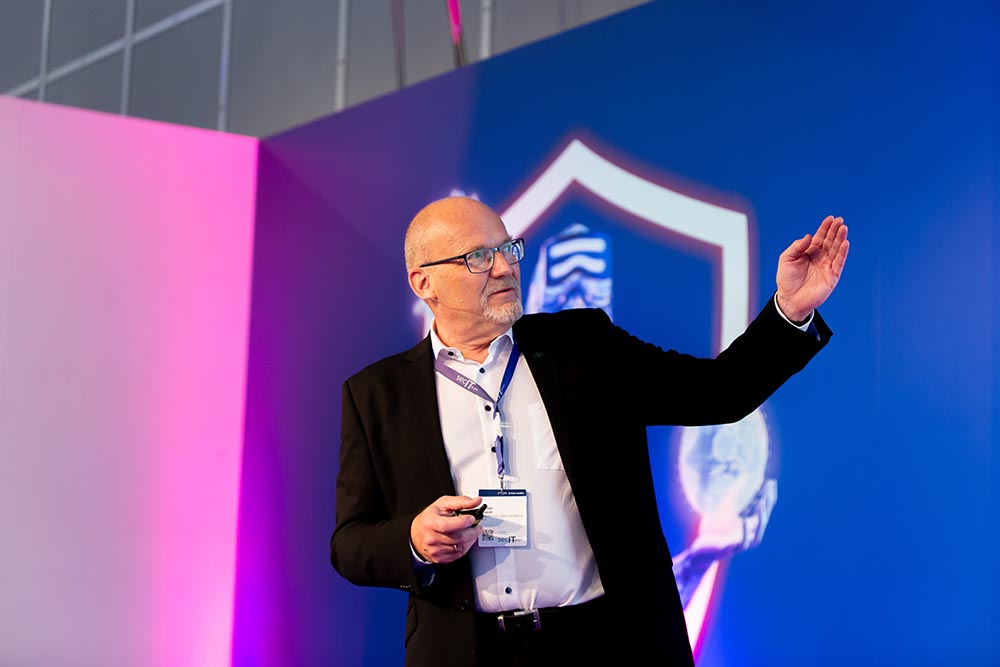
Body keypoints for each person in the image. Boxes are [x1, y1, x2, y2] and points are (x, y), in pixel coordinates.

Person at [330, 195, 849, 667]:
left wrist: (789, 312)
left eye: (508, 248)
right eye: (479, 257)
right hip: (466, 651)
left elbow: (719, 393)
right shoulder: (377, 394)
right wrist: (414, 540)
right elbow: (350, 543)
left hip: (604, 644)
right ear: (424, 283)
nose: (505, 267)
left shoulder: (583, 346)